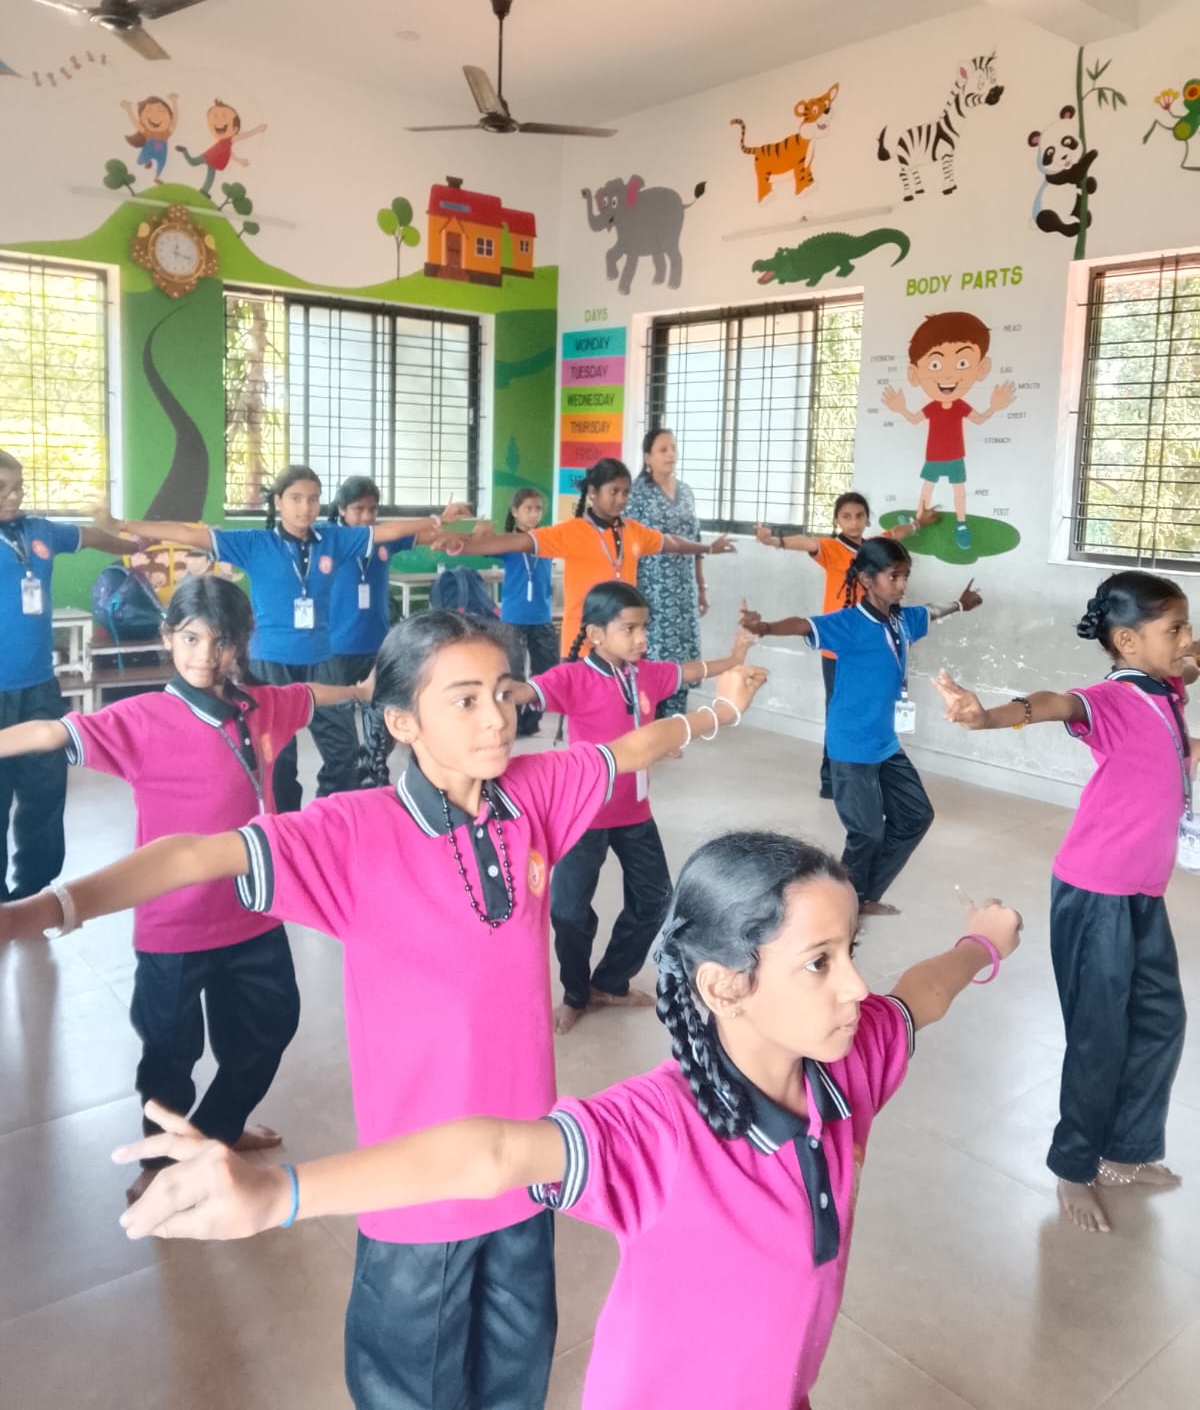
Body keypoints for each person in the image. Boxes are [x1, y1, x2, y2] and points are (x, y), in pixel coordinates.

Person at [2, 610, 766, 1410]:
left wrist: (723, 709)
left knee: (515, 1377)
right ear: (402, 721)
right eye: (464, 700)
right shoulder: (351, 832)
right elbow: (194, 853)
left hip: (528, 1167)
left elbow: (622, 753)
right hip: (414, 1194)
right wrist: (42, 911)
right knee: (412, 1388)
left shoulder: (534, 794)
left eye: (503, 693)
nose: (498, 716)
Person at [112, 832, 1023, 1410]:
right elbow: (493, 1151)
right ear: (723, 984)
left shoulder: (845, 1070)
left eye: (851, 950)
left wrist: (983, 942)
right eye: (820, 962)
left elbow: (916, 997)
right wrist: (279, 1192)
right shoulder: (660, 1130)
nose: (854, 984)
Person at [0, 574, 369, 1200]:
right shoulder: (143, 718)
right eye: (191, 638)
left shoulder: (261, 705)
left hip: (258, 909)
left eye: (221, 642)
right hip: (174, 926)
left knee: (269, 1026)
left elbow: (309, 692)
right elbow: (47, 734)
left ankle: (214, 1132)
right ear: (170, 636)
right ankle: (161, 1167)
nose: (204, 656)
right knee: (170, 1054)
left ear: (242, 644)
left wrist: (360, 689)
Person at [935, 569, 1194, 1235]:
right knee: (1099, 1034)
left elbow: (1176, 712)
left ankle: (1127, 1150)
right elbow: (1053, 703)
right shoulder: (1106, 698)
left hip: (1141, 892)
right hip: (1095, 890)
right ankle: (1073, 1168)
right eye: (1176, 630)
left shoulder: (1165, 688)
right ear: (1127, 642)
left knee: (1162, 1017)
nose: (1188, 640)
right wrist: (985, 715)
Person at [94, 465, 456, 812]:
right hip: (269, 664)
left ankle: (326, 820)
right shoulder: (255, 543)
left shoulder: (334, 540)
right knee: (279, 760)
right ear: (278, 502)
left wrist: (438, 519)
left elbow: (389, 532)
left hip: (322, 660)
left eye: (313, 499)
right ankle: (285, 830)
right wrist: (121, 525)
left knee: (343, 752)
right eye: (296, 498)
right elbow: (190, 534)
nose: (306, 507)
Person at [514, 580, 756, 1033]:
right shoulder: (572, 678)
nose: (642, 639)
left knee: (656, 899)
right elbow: (526, 693)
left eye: (644, 628)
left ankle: (610, 981)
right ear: (597, 633)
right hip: (581, 815)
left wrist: (735, 658)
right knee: (569, 911)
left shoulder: (644, 673)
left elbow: (691, 670)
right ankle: (575, 991)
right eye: (629, 629)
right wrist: (493, 689)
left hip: (634, 812)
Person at [742, 537, 981, 915]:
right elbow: (805, 624)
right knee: (866, 833)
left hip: (885, 744)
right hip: (851, 746)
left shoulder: (903, 620)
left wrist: (960, 604)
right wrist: (767, 626)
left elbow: (931, 612)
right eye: (893, 577)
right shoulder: (849, 623)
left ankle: (863, 896)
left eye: (905, 576)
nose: (902, 584)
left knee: (917, 817)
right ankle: (839, 907)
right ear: (868, 579)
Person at [435, 457, 735, 659]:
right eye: (613, 491)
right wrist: (460, 544)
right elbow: (515, 540)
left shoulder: (633, 532)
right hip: (583, 647)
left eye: (626, 492)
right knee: (587, 732)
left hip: (624, 642)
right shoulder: (572, 532)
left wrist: (706, 548)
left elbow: (669, 542)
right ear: (593, 493)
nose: (621, 499)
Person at [0, 449, 127, 900]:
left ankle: (35, 890)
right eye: (3, 490)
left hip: (39, 688)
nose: (14, 498)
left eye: (19, 488)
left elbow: (92, 537)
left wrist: (131, 546)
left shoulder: (39, 531)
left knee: (45, 789)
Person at [755, 491, 938, 797]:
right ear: (837, 520)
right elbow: (806, 542)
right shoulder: (830, 548)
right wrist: (775, 540)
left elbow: (898, 532)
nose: (854, 522)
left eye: (860, 516)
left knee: (873, 708)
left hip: (872, 647)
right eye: (846, 516)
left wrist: (919, 522)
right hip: (838, 647)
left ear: (867, 518)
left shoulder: (876, 548)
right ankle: (833, 778)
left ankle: (872, 768)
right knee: (838, 711)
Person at [319, 476, 468, 792]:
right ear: (341, 509)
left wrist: (457, 534)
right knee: (337, 732)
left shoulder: (385, 539)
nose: (366, 517)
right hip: (333, 648)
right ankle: (336, 790)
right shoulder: (330, 538)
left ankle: (371, 774)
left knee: (384, 721)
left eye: (372, 509)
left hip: (378, 645)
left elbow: (428, 536)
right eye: (358, 509)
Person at [881, 311, 1016, 551]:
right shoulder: (932, 406)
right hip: (933, 456)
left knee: (959, 492)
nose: (948, 374)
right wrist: (901, 409)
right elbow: (913, 420)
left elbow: (980, 420)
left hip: (955, 456)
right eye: (935, 364)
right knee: (926, 489)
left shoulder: (961, 405)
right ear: (915, 374)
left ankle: (961, 525)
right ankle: (917, 520)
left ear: (981, 369)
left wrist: (995, 407)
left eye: (962, 363)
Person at [625, 428, 705, 720]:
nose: (671, 454)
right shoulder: (636, 495)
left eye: (673, 448)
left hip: (683, 592)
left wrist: (701, 586)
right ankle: (648, 723)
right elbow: (629, 545)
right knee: (652, 657)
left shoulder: (686, 492)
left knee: (682, 656)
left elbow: (695, 541)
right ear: (648, 457)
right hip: (651, 591)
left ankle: (674, 725)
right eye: (662, 449)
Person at [489, 487, 557, 740]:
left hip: (542, 617)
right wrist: (483, 532)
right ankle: (513, 720)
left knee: (547, 671)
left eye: (538, 509)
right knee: (513, 672)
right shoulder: (509, 541)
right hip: (514, 619)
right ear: (515, 512)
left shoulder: (548, 539)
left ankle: (532, 720)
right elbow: (485, 547)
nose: (533, 514)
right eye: (528, 509)